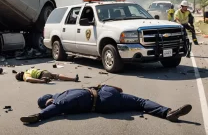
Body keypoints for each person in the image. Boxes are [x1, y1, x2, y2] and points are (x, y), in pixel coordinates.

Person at [20, 85, 192, 124]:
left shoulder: (61, 97)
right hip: (103, 97)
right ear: (48, 100)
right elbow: (55, 108)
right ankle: (167, 112)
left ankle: (168, 113)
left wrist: (40, 115)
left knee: (139, 103)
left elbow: (55, 109)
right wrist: (39, 116)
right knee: (141, 102)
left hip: (104, 98)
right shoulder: (60, 98)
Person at [15, 68, 79, 83]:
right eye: (19, 73)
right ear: (20, 76)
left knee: (56, 76)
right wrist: (41, 81)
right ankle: (73, 79)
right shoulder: (25, 76)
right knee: (57, 75)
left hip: (43, 73)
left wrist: (42, 81)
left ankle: (73, 79)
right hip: (42, 73)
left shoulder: (26, 71)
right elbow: (29, 79)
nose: (20, 72)